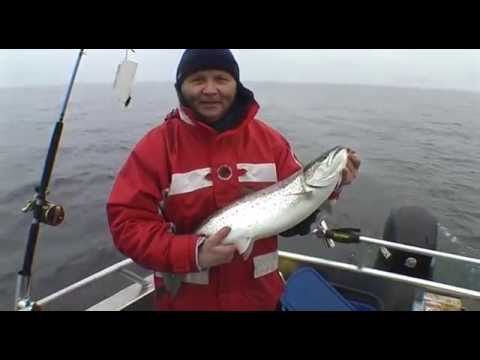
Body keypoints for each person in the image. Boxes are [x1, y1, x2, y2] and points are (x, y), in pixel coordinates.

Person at [106, 49, 361, 311]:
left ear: (235, 85)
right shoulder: (157, 148)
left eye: (221, 78)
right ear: (181, 86)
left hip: (261, 301)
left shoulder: (271, 143)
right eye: (197, 79)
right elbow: (127, 224)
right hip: (186, 305)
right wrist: (192, 253)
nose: (210, 89)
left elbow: (294, 223)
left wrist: (333, 184)